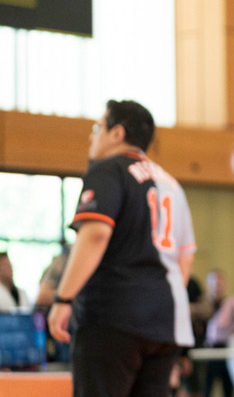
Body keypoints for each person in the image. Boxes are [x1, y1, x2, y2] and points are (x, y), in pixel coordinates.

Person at [47, 99, 196, 396]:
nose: (91, 136)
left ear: (117, 133)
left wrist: (63, 299)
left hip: (113, 316)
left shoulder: (108, 170)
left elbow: (95, 235)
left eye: (97, 128)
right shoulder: (172, 184)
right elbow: (186, 257)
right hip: (166, 324)